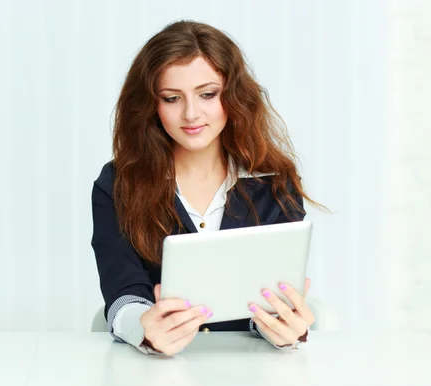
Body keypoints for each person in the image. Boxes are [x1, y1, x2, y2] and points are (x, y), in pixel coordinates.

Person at [91, 20, 323, 356]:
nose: (190, 114)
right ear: (151, 106)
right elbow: (122, 296)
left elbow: (270, 295)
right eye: (171, 98)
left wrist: (281, 325)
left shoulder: (275, 184)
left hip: (249, 371)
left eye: (207, 94)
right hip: (154, 374)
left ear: (233, 96)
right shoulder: (117, 184)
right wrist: (143, 328)